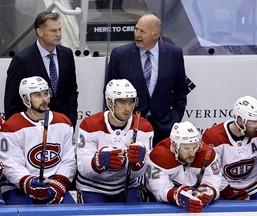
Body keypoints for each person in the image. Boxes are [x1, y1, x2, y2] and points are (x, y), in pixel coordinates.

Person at [106, 14, 189, 147]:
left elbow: (181, 91)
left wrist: (175, 118)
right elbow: (109, 91)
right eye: (136, 29)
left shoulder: (174, 54)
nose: (137, 34)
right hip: (129, 126)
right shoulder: (119, 55)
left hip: (164, 127)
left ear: (155, 35)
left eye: (142, 31)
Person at [0, 76, 76, 204]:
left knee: (71, 212)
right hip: (19, 187)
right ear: (26, 99)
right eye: (37, 95)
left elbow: (69, 160)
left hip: (53, 185)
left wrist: (56, 187)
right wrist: (29, 183)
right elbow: (11, 164)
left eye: (46, 93)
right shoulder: (12, 126)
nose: (44, 99)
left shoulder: (64, 122)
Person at [76, 79, 153, 203]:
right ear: (109, 102)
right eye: (122, 102)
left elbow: (145, 171)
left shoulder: (144, 127)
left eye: (131, 101)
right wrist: (98, 162)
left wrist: (139, 164)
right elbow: (82, 167)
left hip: (127, 186)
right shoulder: (89, 125)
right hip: (92, 188)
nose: (128, 108)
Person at [202, 95, 257, 200]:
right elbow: (213, 171)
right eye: (253, 121)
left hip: (255, 185)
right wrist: (228, 191)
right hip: (225, 188)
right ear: (239, 120)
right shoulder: (212, 137)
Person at [4, 11, 78, 128]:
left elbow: (72, 90)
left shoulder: (67, 54)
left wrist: (71, 120)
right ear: (40, 32)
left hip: (62, 126)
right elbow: (12, 101)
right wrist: (18, 130)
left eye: (59, 29)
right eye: (53, 30)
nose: (58, 34)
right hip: (31, 129)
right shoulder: (22, 60)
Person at [146, 121, 221, 213]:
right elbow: (159, 190)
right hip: (162, 206)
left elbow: (214, 182)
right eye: (187, 148)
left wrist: (207, 191)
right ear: (174, 145)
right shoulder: (159, 156)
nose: (192, 153)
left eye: (195, 147)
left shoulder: (207, 154)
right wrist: (177, 195)